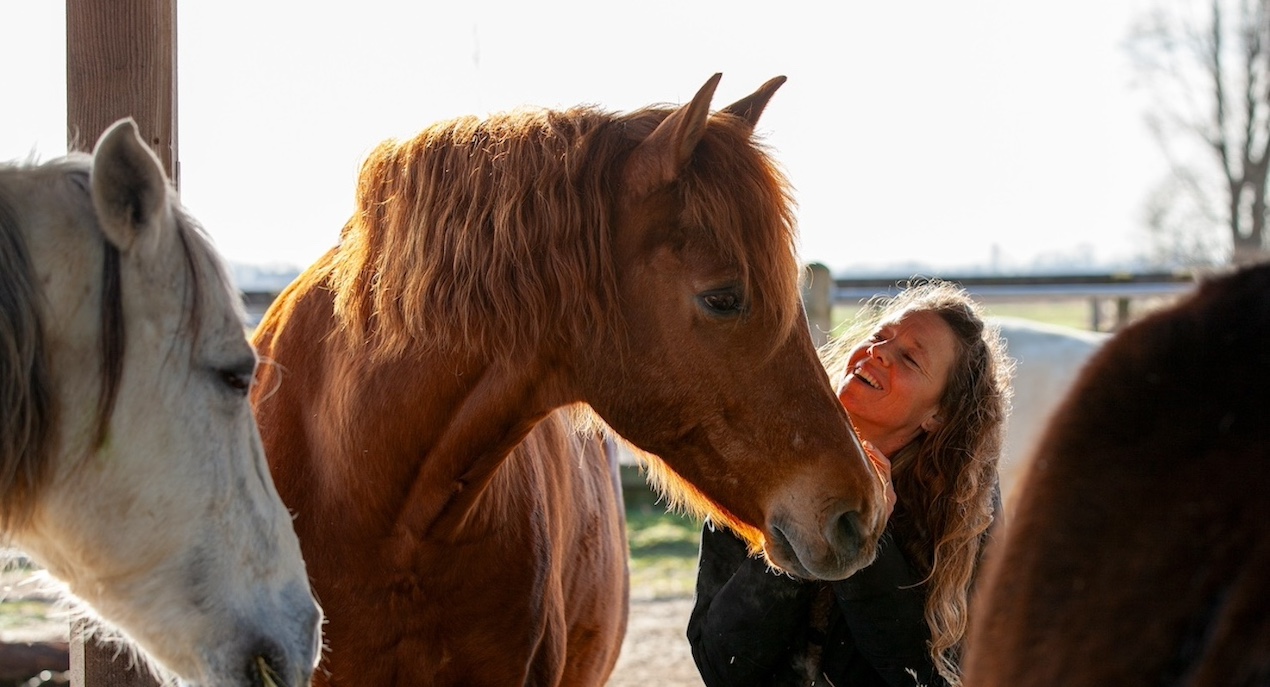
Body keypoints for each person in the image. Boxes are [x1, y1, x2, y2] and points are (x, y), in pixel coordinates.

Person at [687, 279, 1013, 687]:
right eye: (880, 336)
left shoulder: (965, 505)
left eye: (909, 359)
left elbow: (938, 677)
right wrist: (806, 515)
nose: (877, 353)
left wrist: (867, 537)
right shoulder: (762, 463)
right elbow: (720, 666)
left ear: (939, 415)